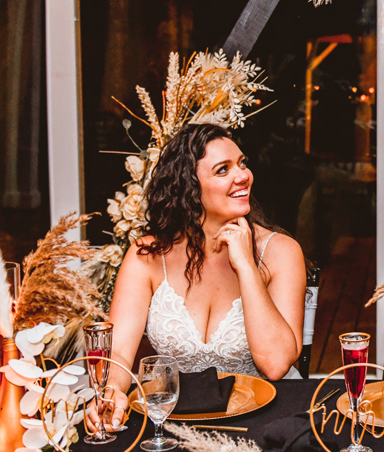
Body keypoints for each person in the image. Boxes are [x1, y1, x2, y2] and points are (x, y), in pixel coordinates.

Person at [90, 123, 306, 431]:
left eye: (242, 163)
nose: (242, 176)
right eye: (223, 170)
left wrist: (246, 266)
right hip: (174, 423)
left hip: (265, 421)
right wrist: (111, 392)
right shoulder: (148, 255)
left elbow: (276, 365)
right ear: (189, 186)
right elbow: (121, 353)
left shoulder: (281, 252)